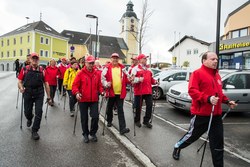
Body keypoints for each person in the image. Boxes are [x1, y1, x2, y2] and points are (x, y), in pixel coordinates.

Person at [172, 52, 237, 167]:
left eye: (216, 59)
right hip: (201, 114)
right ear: (204, 60)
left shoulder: (217, 75)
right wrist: (207, 98)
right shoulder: (197, 74)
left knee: (218, 144)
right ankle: (178, 146)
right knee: (192, 136)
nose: (216, 61)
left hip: (216, 115)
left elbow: (219, 94)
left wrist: (227, 101)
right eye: (212, 59)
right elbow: (192, 91)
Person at [17, 52, 52, 140]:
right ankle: (29, 118)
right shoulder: (25, 69)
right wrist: (21, 88)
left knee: (39, 111)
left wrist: (48, 97)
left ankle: (35, 130)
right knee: (27, 112)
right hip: (27, 92)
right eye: (33, 58)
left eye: (36, 59)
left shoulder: (42, 70)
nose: (35, 60)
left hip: (39, 93)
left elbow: (46, 83)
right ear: (30, 59)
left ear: (38, 60)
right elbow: (20, 81)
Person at [72, 55, 103, 143]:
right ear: (85, 63)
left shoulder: (97, 73)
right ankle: (85, 134)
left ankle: (93, 133)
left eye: (92, 63)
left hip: (94, 99)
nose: (91, 65)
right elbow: (75, 86)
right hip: (83, 99)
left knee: (95, 117)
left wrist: (102, 91)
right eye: (89, 63)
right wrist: (77, 93)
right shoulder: (80, 73)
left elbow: (99, 86)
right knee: (84, 118)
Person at [101, 53, 130, 135]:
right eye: (113, 58)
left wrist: (131, 79)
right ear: (111, 59)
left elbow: (127, 78)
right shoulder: (107, 68)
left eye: (116, 58)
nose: (115, 60)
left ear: (118, 59)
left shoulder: (122, 68)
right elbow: (102, 79)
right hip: (111, 92)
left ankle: (122, 128)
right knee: (109, 108)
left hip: (120, 93)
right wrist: (106, 84)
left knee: (120, 110)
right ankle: (109, 120)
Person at [131, 54, 158, 129]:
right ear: (140, 60)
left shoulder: (149, 69)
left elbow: (151, 79)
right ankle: (137, 120)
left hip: (148, 91)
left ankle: (146, 121)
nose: (146, 59)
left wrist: (155, 82)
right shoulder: (135, 69)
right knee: (138, 107)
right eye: (144, 58)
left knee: (149, 106)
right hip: (139, 91)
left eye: (146, 58)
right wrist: (138, 79)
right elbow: (131, 80)